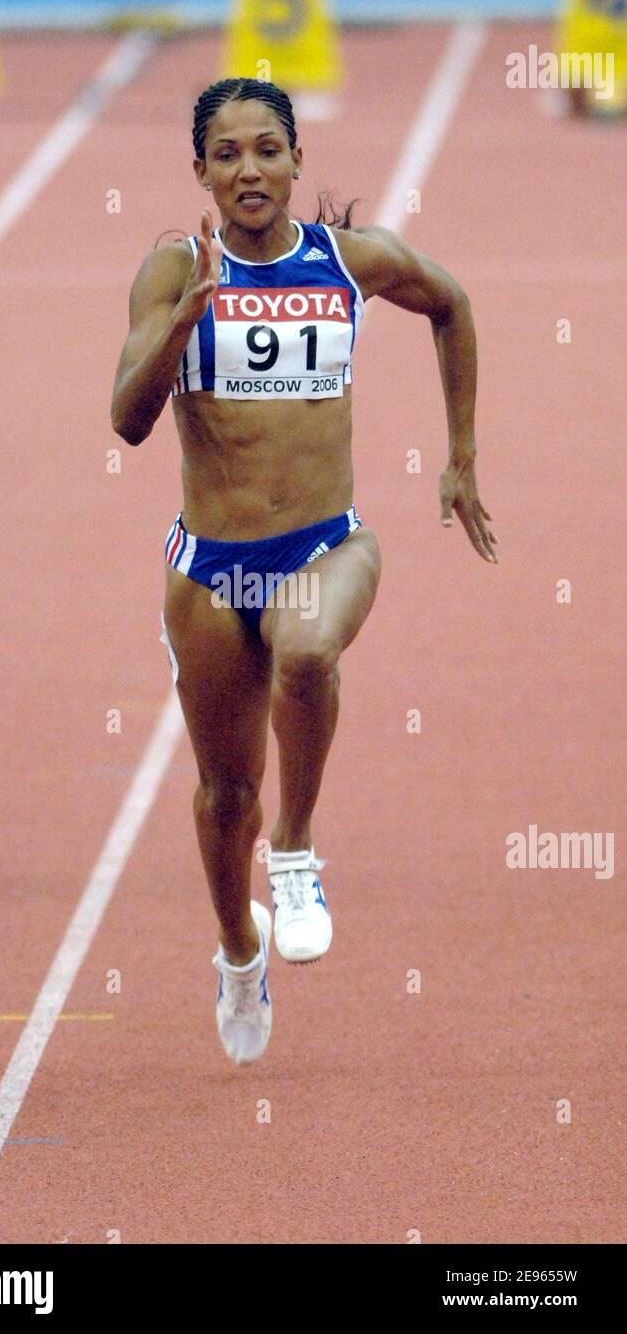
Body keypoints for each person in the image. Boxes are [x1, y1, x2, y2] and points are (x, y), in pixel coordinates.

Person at [110, 77, 497, 1066]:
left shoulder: (344, 262)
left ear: (294, 162)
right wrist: (180, 326)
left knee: (308, 644)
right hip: (210, 569)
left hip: (327, 542)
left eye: (266, 149)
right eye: (227, 152)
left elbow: (448, 303)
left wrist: (459, 455)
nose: (249, 168)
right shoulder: (172, 271)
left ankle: (295, 853)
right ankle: (238, 950)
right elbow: (127, 418)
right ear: (199, 170)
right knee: (221, 793)